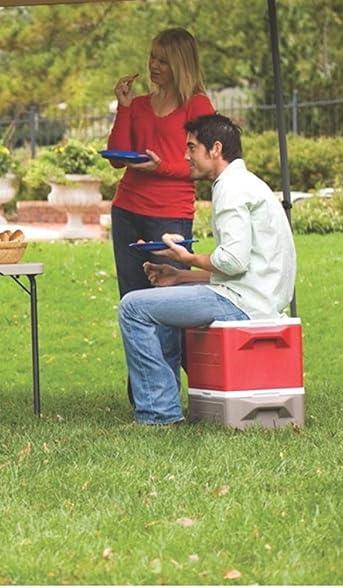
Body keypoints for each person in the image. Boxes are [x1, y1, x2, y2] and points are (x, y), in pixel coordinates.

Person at [117, 114, 298, 426]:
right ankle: (162, 406)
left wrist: (186, 257)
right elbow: (244, 268)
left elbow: (232, 261)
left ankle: (159, 414)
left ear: (215, 149)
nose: (185, 155)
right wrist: (179, 276)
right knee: (153, 302)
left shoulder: (230, 189)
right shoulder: (248, 183)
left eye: (191, 147)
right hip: (257, 298)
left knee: (133, 307)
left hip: (243, 306)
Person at [106, 27, 216, 298]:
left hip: (169, 215)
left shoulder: (197, 105)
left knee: (170, 298)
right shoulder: (140, 104)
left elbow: (208, 165)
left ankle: (170, 344)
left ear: (180, 65)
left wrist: (161, 167)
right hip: (127, 210)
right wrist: (124, 107)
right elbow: (118, 159)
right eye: (153, 58)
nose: (153, 65)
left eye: (163, 61)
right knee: (132, 298)